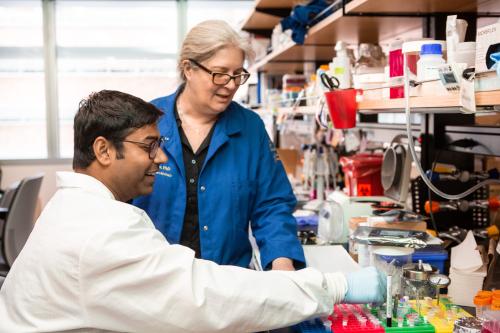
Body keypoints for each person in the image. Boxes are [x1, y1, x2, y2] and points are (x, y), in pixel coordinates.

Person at [0, 90, 385, 332]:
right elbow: (207, 296)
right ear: (103, 151)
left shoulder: (74, 207)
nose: (161, 158)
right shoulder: (100, 231)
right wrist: (336, 286)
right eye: (149, 146)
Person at [133, 20, 303, 271]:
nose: (232, 84)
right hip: (154, 279)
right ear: (188, 68)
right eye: (221, 73)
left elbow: (272, 205)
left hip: (226, 283)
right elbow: (119, 198)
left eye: (238, 74)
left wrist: (282, 265)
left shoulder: (250, 128)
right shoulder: (147, 121)